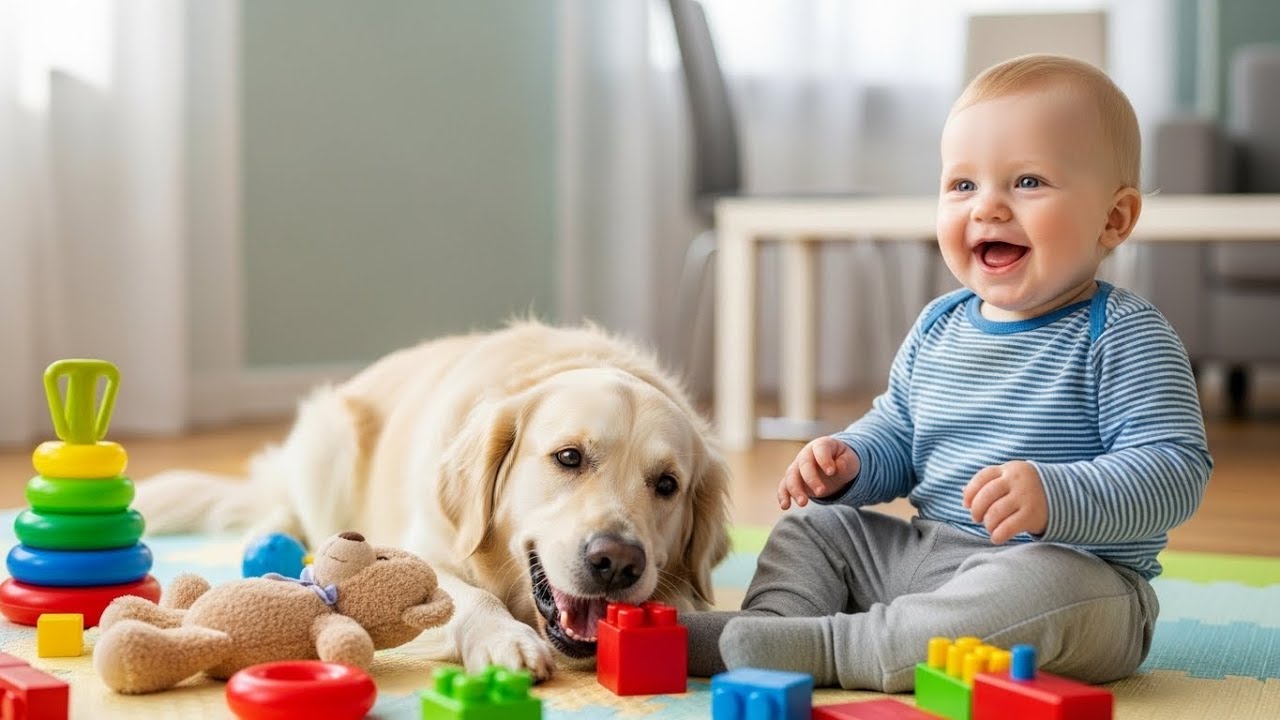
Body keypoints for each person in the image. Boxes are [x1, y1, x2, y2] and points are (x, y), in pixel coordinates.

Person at [684, 53, 1213, 692]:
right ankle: (775, 625)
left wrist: (1057, 496)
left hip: (1076, 580)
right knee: (817, 528)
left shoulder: (1124, 334)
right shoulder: (940, 325)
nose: (987, 208)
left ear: (1114, 218)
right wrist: (850, 459)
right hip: (925, 555)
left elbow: (1174, 468)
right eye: (963, 186)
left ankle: (830, 647)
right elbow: (901, 431)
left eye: (1028, 182)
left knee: (1035, 586)